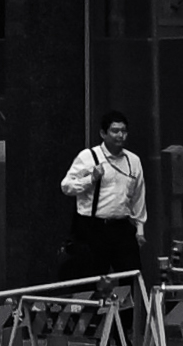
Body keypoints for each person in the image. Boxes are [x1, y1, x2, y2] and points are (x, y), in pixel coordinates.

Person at [61, 110, 148, 280]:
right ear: (103, 133)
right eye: (115, 131)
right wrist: (90, 179)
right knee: (90, 279)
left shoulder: (133, 161)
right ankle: (91, 306)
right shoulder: (88, 157)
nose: (120, 135)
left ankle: (130, 307)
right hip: (93, 227)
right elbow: (66, 186)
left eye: (123, 131)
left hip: (122, 226)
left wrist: (140, 229)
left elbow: (138, 196)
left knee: (132, 277)